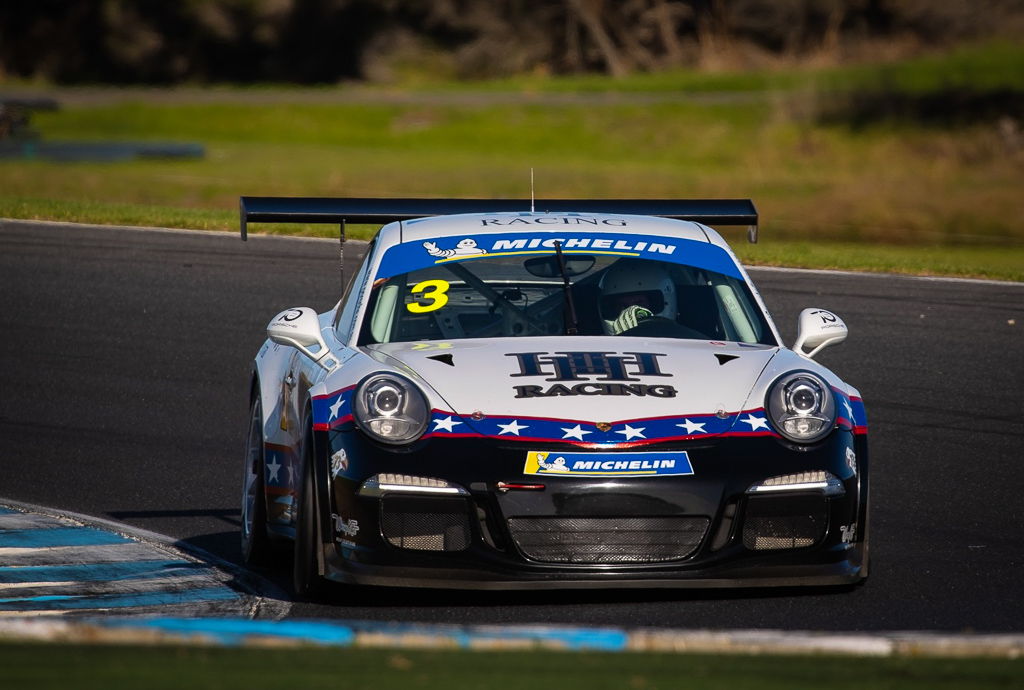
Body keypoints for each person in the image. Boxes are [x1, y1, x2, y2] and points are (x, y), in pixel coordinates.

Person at [598, 259, 677, 335]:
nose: (632, 311)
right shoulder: (598, 345)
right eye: (623, 306)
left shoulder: (685, 342)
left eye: (639, 303)